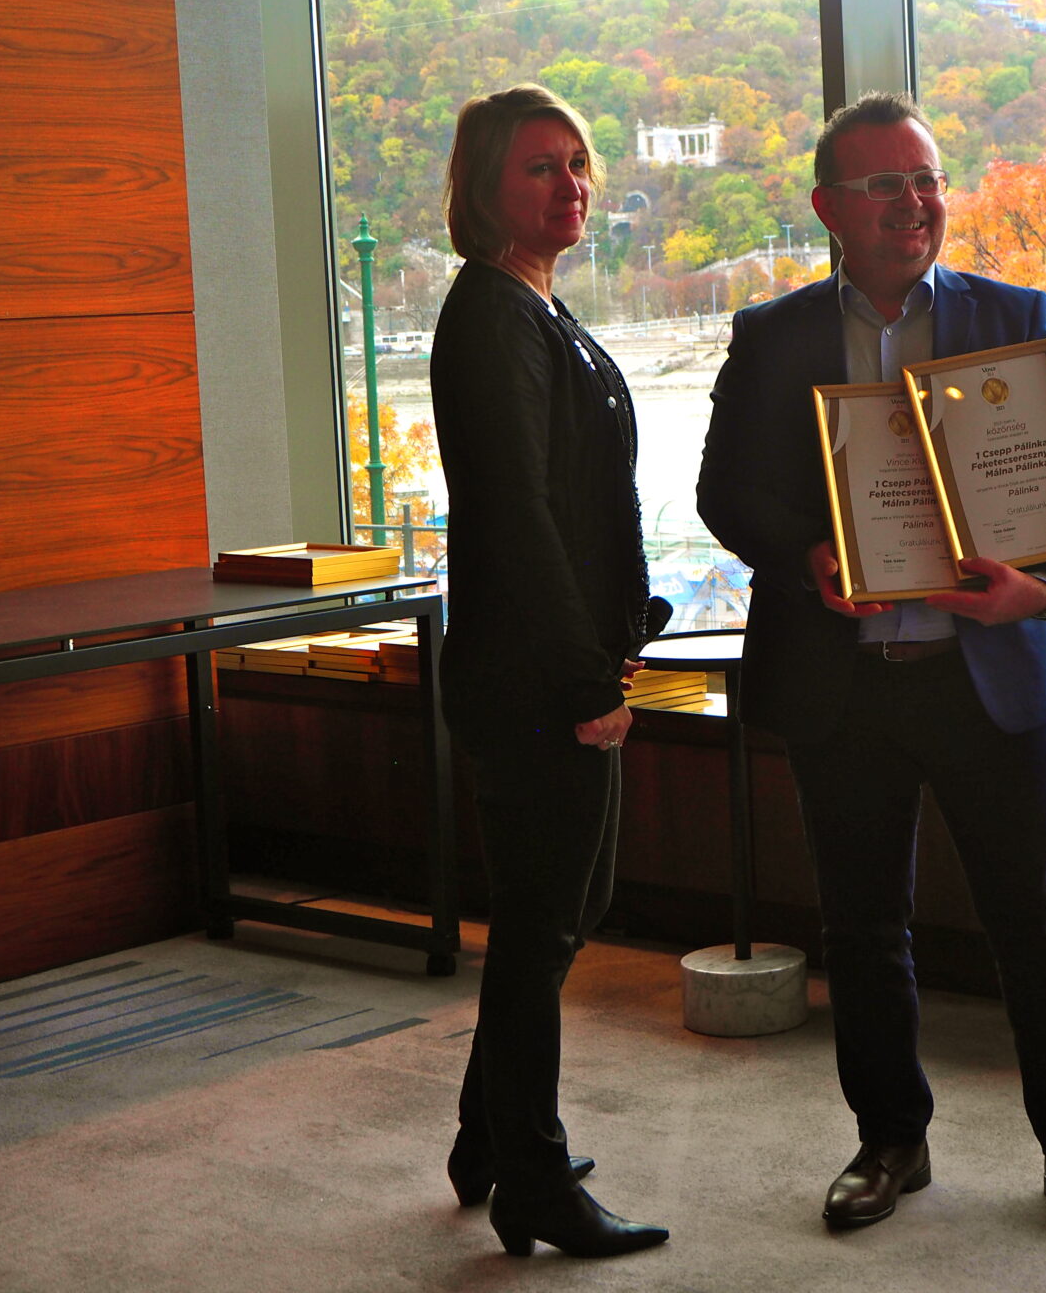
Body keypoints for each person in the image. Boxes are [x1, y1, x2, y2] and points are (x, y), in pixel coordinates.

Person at [696, 91, 1046, 1244]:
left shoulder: (1012, 317)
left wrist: (1040, 591)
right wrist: (806, 555)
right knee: (862, 929)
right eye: (885, 184)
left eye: (928, 179)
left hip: (985, 676)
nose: (915, 202)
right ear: (829, 208)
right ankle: (890, 1139)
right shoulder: (773, 336)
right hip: (842, 678)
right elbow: (725, 494)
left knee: (1035, 921)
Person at [430, 84, 669, 1259]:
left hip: (559, 657)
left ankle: (488, 1137)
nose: (570, 184)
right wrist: (585, 683)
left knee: (564, 910)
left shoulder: (535, 307)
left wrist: (625, 625)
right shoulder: (491, 314)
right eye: (539, 167)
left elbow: (577, 497)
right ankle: (528, 1177)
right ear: (485, 190)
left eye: (578, 163)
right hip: (533, 680)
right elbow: (518, 518)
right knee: (543, 929)